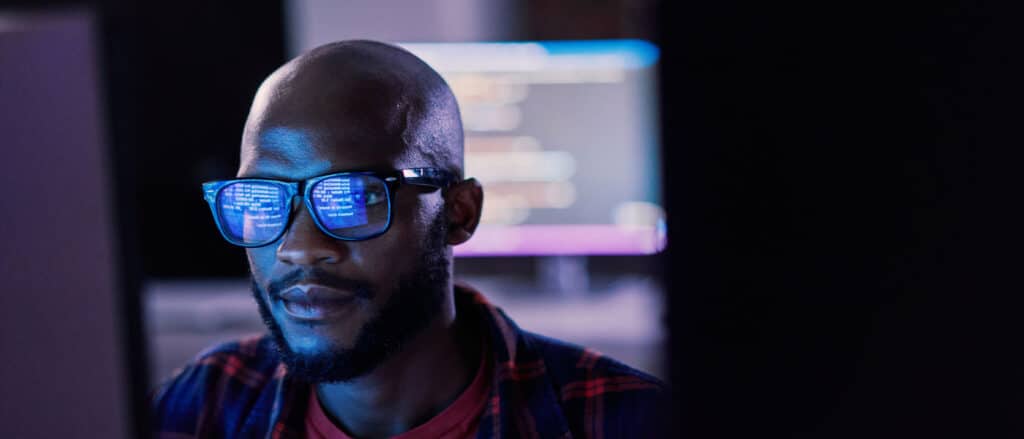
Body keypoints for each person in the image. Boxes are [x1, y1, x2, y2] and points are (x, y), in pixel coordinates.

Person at [152, 40, 667, 438]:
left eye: (355, 198)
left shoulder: (624, 418)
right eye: (262, 200)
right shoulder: (201, 406)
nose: (300, 246)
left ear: (459, 213)